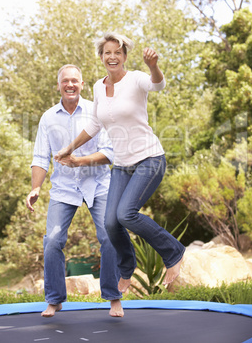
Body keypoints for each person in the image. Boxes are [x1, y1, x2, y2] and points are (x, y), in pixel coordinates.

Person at [54, 32, 186, 294]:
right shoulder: (98, 86)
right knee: (111, 222)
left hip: (149, 158)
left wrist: (153, 66)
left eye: (117, 52)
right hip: (123, 165)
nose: (112, 57)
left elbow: (158, 85)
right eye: (107, 53)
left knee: (126, 214)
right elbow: (94, 124)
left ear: (125, 56)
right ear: (101, 57)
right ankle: (127, 268)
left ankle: (174, 252)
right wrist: (69, 147)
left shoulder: (136, 79)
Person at [26, 64, 124, 318]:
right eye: (65, 81)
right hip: (64, 188)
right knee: (52, 242)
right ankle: (55, 299)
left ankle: (114, 298)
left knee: (109, 237)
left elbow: (109, 154)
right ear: (58, 85)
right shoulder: (48, 118)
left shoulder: (96, 111)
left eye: (74, 81)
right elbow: (40, 157)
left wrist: (78, 160)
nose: (70, 85)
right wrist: (35, 187)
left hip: (98, 184)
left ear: (81, 84)